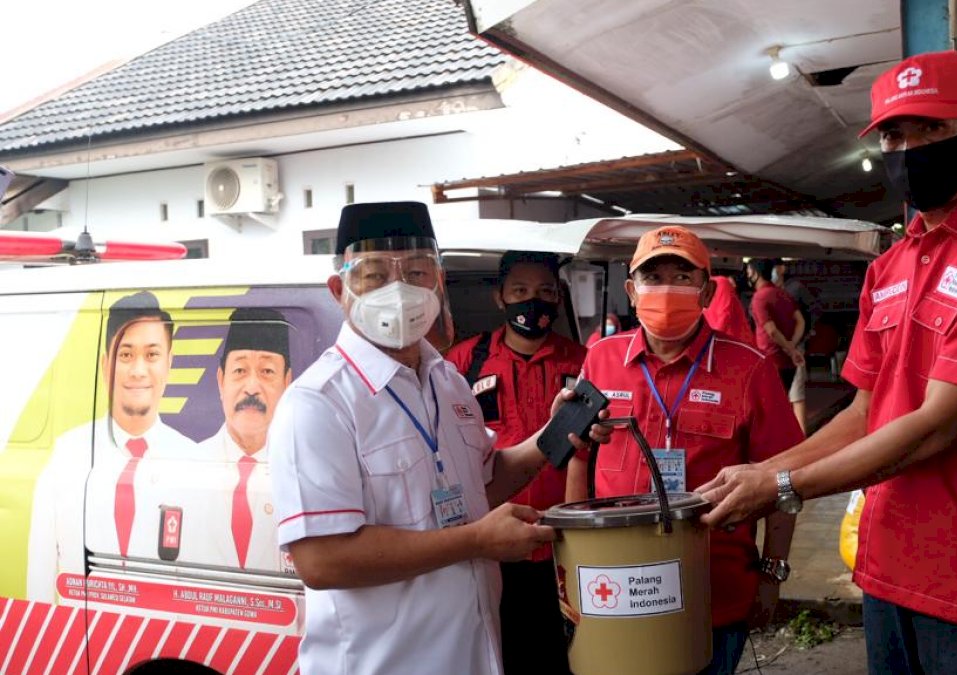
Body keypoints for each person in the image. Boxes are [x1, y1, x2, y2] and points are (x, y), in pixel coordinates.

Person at [699, 50, 957, 674]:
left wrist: (785, 488)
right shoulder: (889, 267)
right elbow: (866, 412)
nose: (910, 146)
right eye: (896, 133)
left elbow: (939, 422)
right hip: (887, 563)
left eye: (932, 128)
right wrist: (761, 471)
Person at [268, 202, 611, 675]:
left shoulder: (446, 380)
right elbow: (322, 560)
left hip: (472, 655)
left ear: (438, 282)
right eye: (373, 275)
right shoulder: (318, 404)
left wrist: (553, 435)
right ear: (338, 289)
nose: (398, 290)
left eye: (415, 271)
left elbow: (482, 483)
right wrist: (475, 540)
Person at [564, 225, 804, 675]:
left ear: (707, 289)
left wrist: (772, 572)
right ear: (632, 291)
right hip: (616, 585)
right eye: (653, 278)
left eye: (682, 276)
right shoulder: (600, 357)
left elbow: (783, 480)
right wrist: (572, 559)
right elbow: (578, 459)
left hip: (714, 586)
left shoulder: (748, 368)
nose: (667, 289)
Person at [445, 250, 587, 675]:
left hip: (565, 542)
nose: (533, 301)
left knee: (566, 656)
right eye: (520, 291)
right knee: (501, 655)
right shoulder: (462, 363)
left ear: (559, 298)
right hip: (492, 545)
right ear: (499, 297)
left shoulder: (583, 363)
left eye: (545, 291)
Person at [28, 291, 196, 601]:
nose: (138, 370)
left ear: (169, 363)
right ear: (106, 364)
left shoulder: (193, 459)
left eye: (152, 355)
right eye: (126, 354)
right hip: (84, 639)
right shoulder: (67, 454)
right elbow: (40, 574)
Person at [190, 307, 294, 571]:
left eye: (267, 371)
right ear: (221, 380)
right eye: (239, 371)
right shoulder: (189, 463)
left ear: (287, 383)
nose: (251, 387)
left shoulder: (305, 469)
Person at [747, 258, 808, 432]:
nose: (747, 275)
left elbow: (771, 331)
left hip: (770, 360)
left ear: (755, 273)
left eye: (749, 271)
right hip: (788, 363)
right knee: (783, 404)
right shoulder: (783, 294)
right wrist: (792, 347)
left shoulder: (759, 298)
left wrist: (789, 348)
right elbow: (800, 321)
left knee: (768, 411)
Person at [702, 269, 754, 345]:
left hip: (738, 344)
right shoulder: (695, 293)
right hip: (719, 343)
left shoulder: (720, 282)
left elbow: (724, 316)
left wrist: (709, 342)